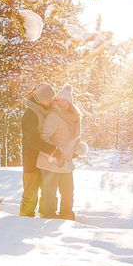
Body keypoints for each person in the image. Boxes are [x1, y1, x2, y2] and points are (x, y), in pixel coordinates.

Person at [36, 84, 86, 220]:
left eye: (64, 100)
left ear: (70, 103)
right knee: (50, 193)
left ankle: (67, 215)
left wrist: (78, 147)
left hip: (66, 162)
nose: (61, 103)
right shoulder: (54, 116)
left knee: (68, 191)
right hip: (50, 162)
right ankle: (48, 216)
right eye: (59, 100)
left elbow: (74, 138)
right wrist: (54, 155)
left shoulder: (74, 118)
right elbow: (44, 138)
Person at [19, 82, 63, 217]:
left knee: (47, 191)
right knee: (31, 192)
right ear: (40, 99)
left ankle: (45, 216)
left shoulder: (50, 110)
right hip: (32, 159)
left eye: (52, 98)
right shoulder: (30, 114)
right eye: (48, 99)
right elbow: (33, 140)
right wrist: (53, 150)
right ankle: (24, 218)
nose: (51, 101)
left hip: (46, 160)